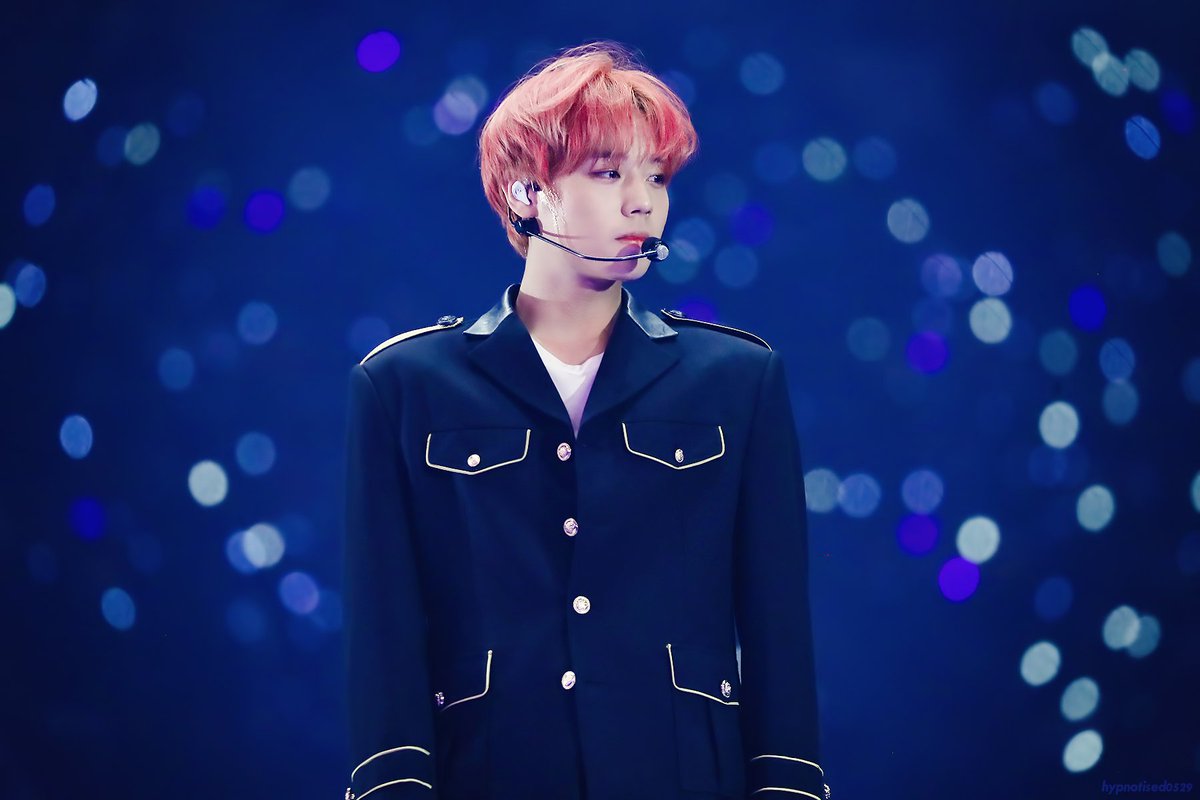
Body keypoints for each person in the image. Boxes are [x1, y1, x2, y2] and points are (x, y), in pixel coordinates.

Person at [342, 41, 830, 800]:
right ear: (526, 192)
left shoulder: (738, 379)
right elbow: (385, 630)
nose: (643, 202)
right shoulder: (403, 385)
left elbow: (777, 624)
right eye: (608, 173)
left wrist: (787, 786)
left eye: (657, 176)